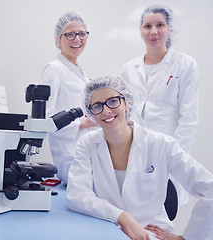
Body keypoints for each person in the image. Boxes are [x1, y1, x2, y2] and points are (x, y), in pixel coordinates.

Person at [66, 76, 213, 240]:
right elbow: (77, 194)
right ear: (90, 111)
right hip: (107, 230)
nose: (106, 111)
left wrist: (188, 238)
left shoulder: (161, 144)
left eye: (113, 101)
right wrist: (122, 217)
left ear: (127, 102)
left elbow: (209, 188)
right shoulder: (88, 143)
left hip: (150, 234)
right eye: (97, 106)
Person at [122, 4, 199, 206]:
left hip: (169, 154)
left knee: (163, 219)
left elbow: (189, 118)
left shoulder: (185, 64)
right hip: (134, 153)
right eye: (147, 26)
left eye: (160, 25)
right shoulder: (129, 68)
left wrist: (174, 158)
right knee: (132, 216)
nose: (153, 31)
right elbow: (124, 114)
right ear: (141, 31)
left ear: (170, 28)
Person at [40, 11, 96, 184]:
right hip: (70, 157)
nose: (77, 39)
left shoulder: (79, 71)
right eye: (70, 34)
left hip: (86, 151)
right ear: (58, 39)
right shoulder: (54, 69)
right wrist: (82, 123)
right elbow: (44, 119)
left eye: (81, 34)